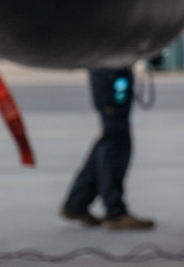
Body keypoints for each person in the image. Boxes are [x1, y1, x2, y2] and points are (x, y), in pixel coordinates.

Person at [60, 66, 154, 230]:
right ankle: (115, 212)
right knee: (115, 141)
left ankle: (77, 203)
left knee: (111, 137)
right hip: (111, 72)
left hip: (112, 70)